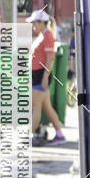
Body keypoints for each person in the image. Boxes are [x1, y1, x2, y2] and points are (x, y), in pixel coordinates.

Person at [28, 9, 65, 145]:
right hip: (37, 74)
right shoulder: (42, 35)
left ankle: (28, 137)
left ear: (41, 22)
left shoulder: (48, 35)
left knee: (36, 107)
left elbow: (51, 58)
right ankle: (60, 135)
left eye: (34, 23)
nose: (33, 25)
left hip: (41, 75)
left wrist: (45, 77)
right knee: (47, 108)